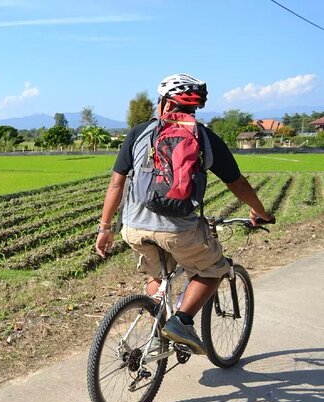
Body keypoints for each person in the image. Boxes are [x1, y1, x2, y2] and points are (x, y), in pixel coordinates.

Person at [95, 73, 274, 355]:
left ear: (165, 104)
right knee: (214, 270)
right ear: (193, 108)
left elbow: (116, 183)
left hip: (133, 227)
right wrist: (260, 211)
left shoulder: (138, 133)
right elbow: (237, 183)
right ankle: (182, 321)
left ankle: (156, 336)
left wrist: (105, 228)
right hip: (177, 230)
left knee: (158, 274)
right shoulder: (204, 137)